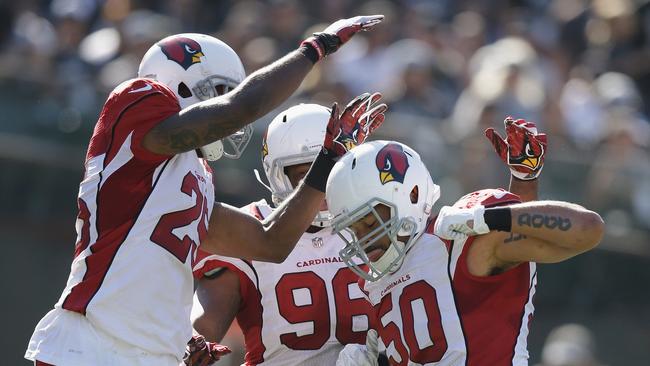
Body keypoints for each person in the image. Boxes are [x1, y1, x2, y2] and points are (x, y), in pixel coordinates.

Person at [25, 15, 384, 366]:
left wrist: (328, 160)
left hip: (154, 354)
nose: (230, 107)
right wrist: (317, 48)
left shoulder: (194, 174)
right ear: (182, 84)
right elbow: (240, 108)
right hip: (93, 344)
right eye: (221, 90)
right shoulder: (134, 104)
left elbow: (269, 243)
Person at [327, 125, 604, 365]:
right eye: (354, 229)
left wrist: (484, 218)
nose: (364, 240)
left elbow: (588, 229)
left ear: (410, 195)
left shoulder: (456, 241)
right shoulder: (376, 285)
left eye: (371, 222)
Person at [186, 102, 386, 366]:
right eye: (308, 176)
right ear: (279, 176)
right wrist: (191, 342)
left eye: (331, 172)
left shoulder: (379, 223)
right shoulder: (250, 229)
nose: (321, 189)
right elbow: (204, 325)